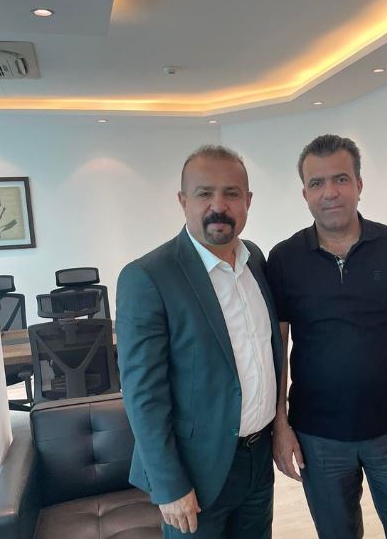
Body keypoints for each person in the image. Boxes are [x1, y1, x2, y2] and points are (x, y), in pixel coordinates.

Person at [268, 134, 387, 539]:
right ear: (305, 194)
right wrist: (281, 426)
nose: (330, 192)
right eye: (317, 183)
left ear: (359, 185)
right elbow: (277, 348)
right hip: (317, 437)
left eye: (341, 179)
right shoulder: (285, 258)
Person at [116, 145, 282, 538]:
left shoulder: (255, 261)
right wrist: (169, 484)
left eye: (231, 193)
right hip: (195, 472)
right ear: (183, 201)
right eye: (204, 193)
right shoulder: (148, 276)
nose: (218, 206)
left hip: (258, 461)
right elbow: (143, 394)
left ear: (248, 201)